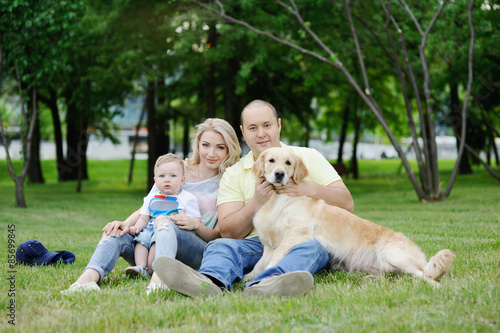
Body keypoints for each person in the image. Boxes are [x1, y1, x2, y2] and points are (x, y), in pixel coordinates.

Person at [154, 99, 355, 297]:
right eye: (252, 128)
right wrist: (257, 202)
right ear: (243, 131)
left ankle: (270, 282)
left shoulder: (307, 157)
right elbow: (228, 231)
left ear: (278, 125)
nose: (261, 134)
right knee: (220, 245)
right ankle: (209, 282)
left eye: (267, 125)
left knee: (313, 245)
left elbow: (347, 203)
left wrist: (306, 187)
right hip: (254, 244)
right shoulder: (234, 173)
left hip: (300, 238)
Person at [62, 118, 241, 294]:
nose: (211, 153)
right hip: (151, 247)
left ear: (229, 150)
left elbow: (219, 235)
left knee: (165, 220)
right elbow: (148, 206)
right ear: (198, 145)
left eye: (220, 147)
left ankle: (160, 280)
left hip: (195, 249)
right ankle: (86, 281)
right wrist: (126, 224)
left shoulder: (228, 181)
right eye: (206, 145)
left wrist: (195, 225)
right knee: (116, 231)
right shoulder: (175, 170)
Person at [124, 153, 202, 280]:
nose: (167, 179)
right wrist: (136, 228)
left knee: (157, 245)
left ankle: (152, 268)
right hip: (149, 230)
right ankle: (140, 267)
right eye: (162, 176)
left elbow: (196, 220)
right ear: (155, 180)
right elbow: (144, 217)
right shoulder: (151, 197)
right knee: (140, 243)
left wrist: (189, 222)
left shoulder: (187, 198)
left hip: (166, 232)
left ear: (182, 180)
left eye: (173, 176)